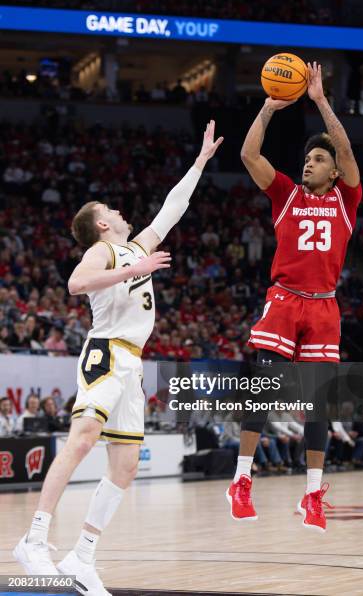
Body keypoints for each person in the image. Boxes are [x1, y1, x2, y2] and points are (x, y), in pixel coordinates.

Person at [14, 121, 223, 593]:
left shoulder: (132, 246)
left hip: (134, 362)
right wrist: (136, 266)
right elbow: (75, 285)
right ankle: (34, 538)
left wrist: (200, 163)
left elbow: (173, 209)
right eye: (111, 209)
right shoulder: (104, 250)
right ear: (102, 224)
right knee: (84, 438)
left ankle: (82, 556)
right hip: (106, 352)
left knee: (126, 466)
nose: (121, 210)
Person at [226, 62, 362, 532]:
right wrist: (267, 108)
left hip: (324, 305)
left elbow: (344, 148)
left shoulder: (347, 200)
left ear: (335, 171)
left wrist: (322, 101)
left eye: (319, 159)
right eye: (308, 157)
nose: (310, 161)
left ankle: (312, 495)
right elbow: (248, 153)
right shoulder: (285, 193)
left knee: (320, 404)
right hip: (284, 299)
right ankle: (241, 480)